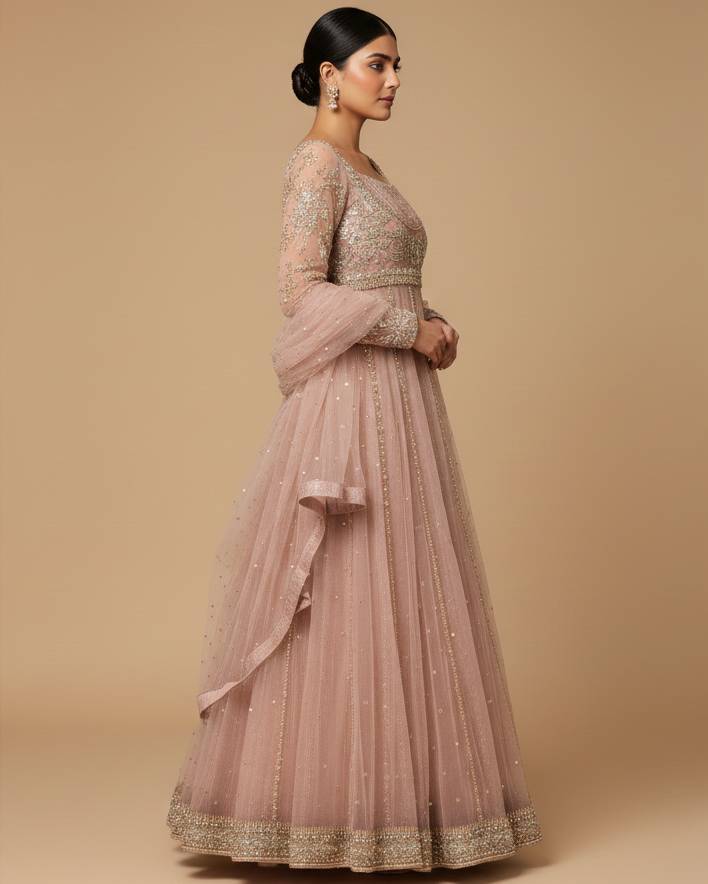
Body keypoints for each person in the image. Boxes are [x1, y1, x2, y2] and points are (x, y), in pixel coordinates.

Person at [165, 6, 543, 873]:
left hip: (401, 405)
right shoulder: (315, 163)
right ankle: (320, 813)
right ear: (329, 74)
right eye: (379, 64)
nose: (395, 80)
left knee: (401, 587)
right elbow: (301, 292)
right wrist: (409, 329)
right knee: (342, 589)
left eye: (399, 65)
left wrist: (430, 319)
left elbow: (379, 278)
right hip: (352, 404)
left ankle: (401, 811)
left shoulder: (368, 165)